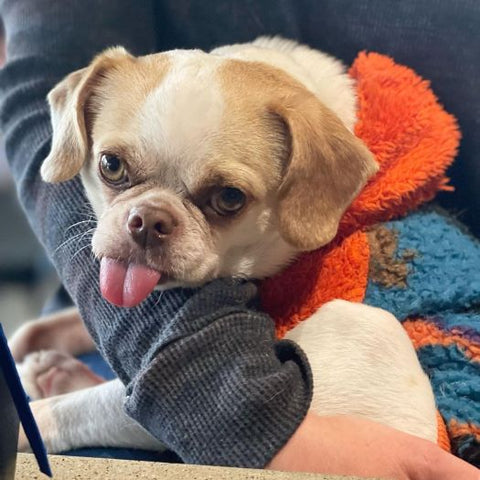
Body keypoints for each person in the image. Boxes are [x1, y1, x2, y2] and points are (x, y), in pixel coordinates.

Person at [0, 1, 478, 479]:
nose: (145, 223)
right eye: (115, 168)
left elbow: (257, 374)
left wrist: (52, 421)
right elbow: (36, 78)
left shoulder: (341, 214)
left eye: (225, 198)